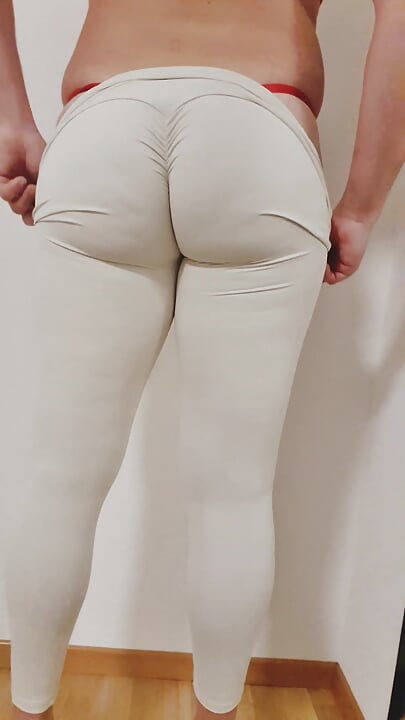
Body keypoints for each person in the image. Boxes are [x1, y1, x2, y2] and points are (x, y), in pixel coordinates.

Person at [0, 0, 403, 718]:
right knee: (233, 491)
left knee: (61, 476)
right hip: (261, 127)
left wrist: (12, 119)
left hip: (104, 121)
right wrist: (361, 204)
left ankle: (28, 708)